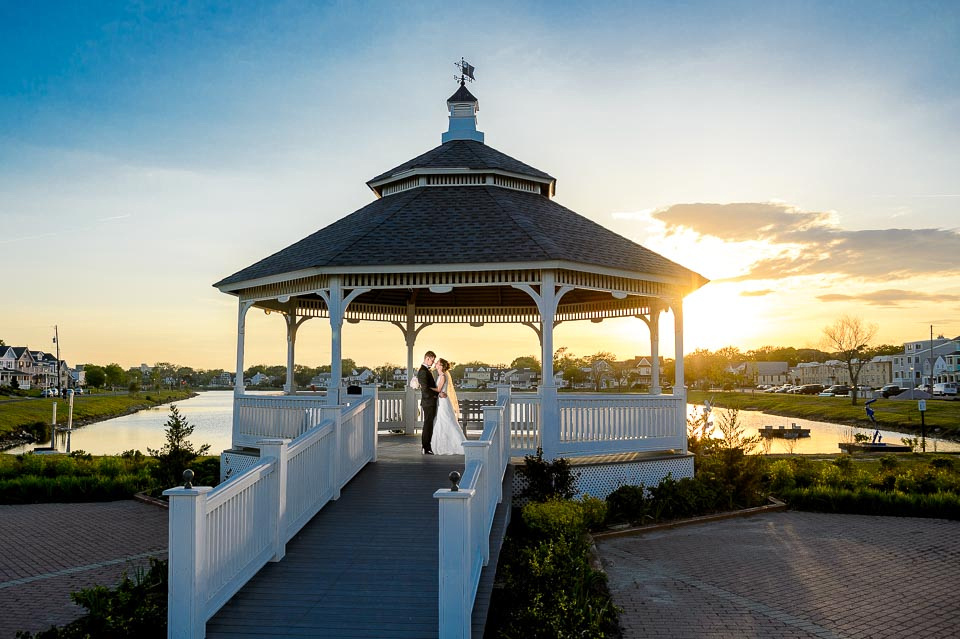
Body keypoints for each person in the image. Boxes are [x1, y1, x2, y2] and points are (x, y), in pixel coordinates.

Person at [431, 358, 467, 455]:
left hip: (444, 402)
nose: (436, 363)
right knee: (442, 422)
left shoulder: (443, 376)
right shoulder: (441, 375)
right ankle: (443, 445)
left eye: (438, 363)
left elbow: (438, 389)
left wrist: (426, 387)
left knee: (447, 421)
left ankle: (459, 445)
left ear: (441, 366)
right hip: (441, 400)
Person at [417, 351, 441, 454]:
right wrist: (435, 395)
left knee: (429, 424)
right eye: (432, 360)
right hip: (428, 402)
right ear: (427, 358)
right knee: (428, 425)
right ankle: (426, 447)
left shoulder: (426, 370)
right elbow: (425, 389)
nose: (433, 362)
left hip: (429, 402)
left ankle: (427, 446)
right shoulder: (423, 371)